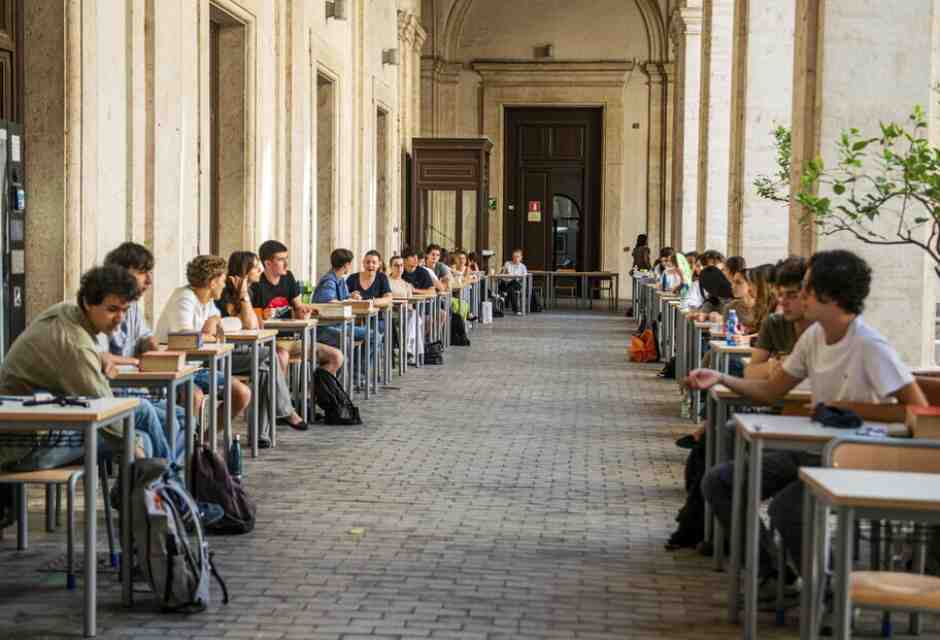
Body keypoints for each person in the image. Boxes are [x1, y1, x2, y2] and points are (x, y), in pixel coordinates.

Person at [690, 249, 927, 599]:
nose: (799, 295)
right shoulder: (814, 338)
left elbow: (916, 408)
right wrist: (721, 376)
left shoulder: (869, 345)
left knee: (788, 509)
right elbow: (772, 391)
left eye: (806, 287)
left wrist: (846, 408)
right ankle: (772, 573)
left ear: (831, 296)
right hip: (809, 451)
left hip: (853, 456)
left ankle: (831, 594)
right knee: (721, 482)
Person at [0, 266, 173, 471]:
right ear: (87, 303)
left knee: (143, 421)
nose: (120, 318)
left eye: (124, 310)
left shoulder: (66, 312)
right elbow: (106, 412)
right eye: (112, 309)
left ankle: (163, 487)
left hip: (41, 426)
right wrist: (138, 453)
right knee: (140, 439)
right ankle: (164, 488)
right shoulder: (75, 344)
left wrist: (99, 357)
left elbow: (75, 354)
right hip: (24, 447)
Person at [99, 242, 191, 461]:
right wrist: (135, 361)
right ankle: (167, 479)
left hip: (134, 388)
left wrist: (153, 351)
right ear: (120, 273)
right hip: (112, 392)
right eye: (142, 272)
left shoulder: (132, 308)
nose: (149, 280)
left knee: (186, 417)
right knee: (170, 419)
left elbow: (146, 338)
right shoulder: (101, 307)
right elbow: (99, 356)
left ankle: (161, 482)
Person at [218, 251, 308, 443]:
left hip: (243, 351)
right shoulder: (226, 293)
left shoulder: (249, 291)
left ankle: (260, 436)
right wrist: (242, 296)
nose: (260, 269)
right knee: (269, 356)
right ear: (245, 270)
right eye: (256, 266)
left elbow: (255, 324)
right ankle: (285, 411)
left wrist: (245, 297)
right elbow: (251, 326)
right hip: (224, 355)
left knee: (264, 368)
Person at [155, 255, 252, 419]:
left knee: (241, 393)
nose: (224, 284)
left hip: (196, 368)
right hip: (174, 368)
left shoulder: (207, 300)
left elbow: (217, 324)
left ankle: (205, 439)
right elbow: (184, 337)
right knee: (195, 396)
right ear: (212, 282)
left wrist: (212, 324)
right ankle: (188, 443)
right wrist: (211, 336)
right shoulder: (184, 297)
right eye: (222, 280)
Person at [250, 239, 344, 376]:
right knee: (282, 357)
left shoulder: (288, 278)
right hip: (270, 342)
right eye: (281, 259)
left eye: (286, 258)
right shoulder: (257, 284)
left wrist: (303, 312)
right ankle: (280, 397)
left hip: (294, 340)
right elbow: (254, 321)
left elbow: (298, 307)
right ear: (268, 263)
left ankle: (316, 394)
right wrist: (263, 315)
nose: (286, 264)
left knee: (336, 357)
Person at [313, 248, 380, 383]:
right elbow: (329, 302)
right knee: (347, 340)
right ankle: (343, 380)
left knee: (374, 335)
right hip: (324, 328)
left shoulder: (340, 280)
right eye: (350, 263)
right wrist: (348, 301)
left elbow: (342, 297)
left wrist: (351, 296)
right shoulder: (329, 281)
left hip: (339, 325)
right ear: (346, 265)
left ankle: (357, 374)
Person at [388, 255, 425, 364]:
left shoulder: (406, 284)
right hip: (391, 312)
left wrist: (406, 308)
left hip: (405, 313)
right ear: (391, 267)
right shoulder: (386, 281)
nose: (399, 268)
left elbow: (410, 303)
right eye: (396, 265)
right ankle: (411, 352)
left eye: (401, 266)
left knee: (414, 316)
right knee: (415, 318)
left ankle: (407, 348)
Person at [500, 248, 528, 315]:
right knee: (509, 288)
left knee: (512, 285)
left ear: (521, 258)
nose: (515, 258)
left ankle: (505, 300)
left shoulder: (523, 267)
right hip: (506, 283)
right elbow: (502, 275)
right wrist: (504, 272)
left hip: (517, 283)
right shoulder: (507, 263)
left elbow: (524, 277)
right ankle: (516, 310)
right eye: (514, 257)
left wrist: (514, 277)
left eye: (517, 257)